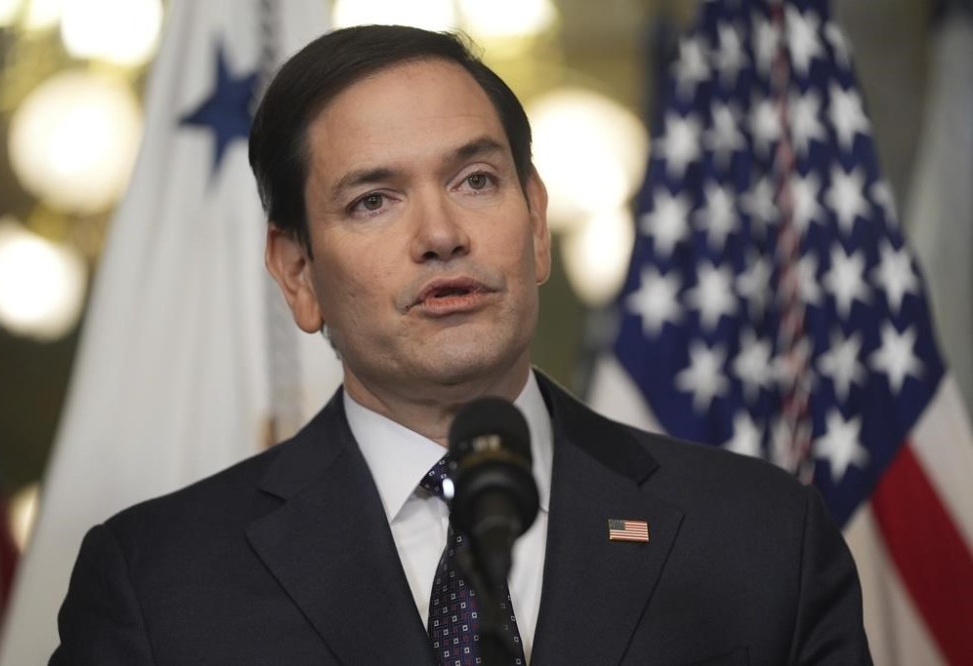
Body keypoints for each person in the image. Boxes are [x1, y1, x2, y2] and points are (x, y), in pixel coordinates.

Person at [51, 25, 872, 665]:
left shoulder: (762, 538)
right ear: (297, 271)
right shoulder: (160, 582)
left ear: (537, 223)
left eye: (475, 180)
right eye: (374, 200)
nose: (441, 235)